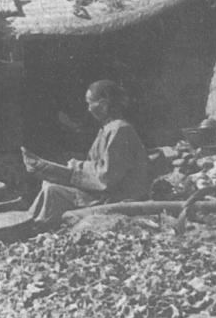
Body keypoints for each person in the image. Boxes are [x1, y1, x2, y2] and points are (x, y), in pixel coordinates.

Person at [23, 80, 150, 225]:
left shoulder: (120, 130)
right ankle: (29, 221)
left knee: (53, 190)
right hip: (103, 189)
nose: (89, 109)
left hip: (116, 195)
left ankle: (35, 225)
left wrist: (75, 168)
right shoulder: (108, 128)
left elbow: (108, 177)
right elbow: (98, 166)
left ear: (103, 105)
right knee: (49, 182)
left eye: (90, 103)